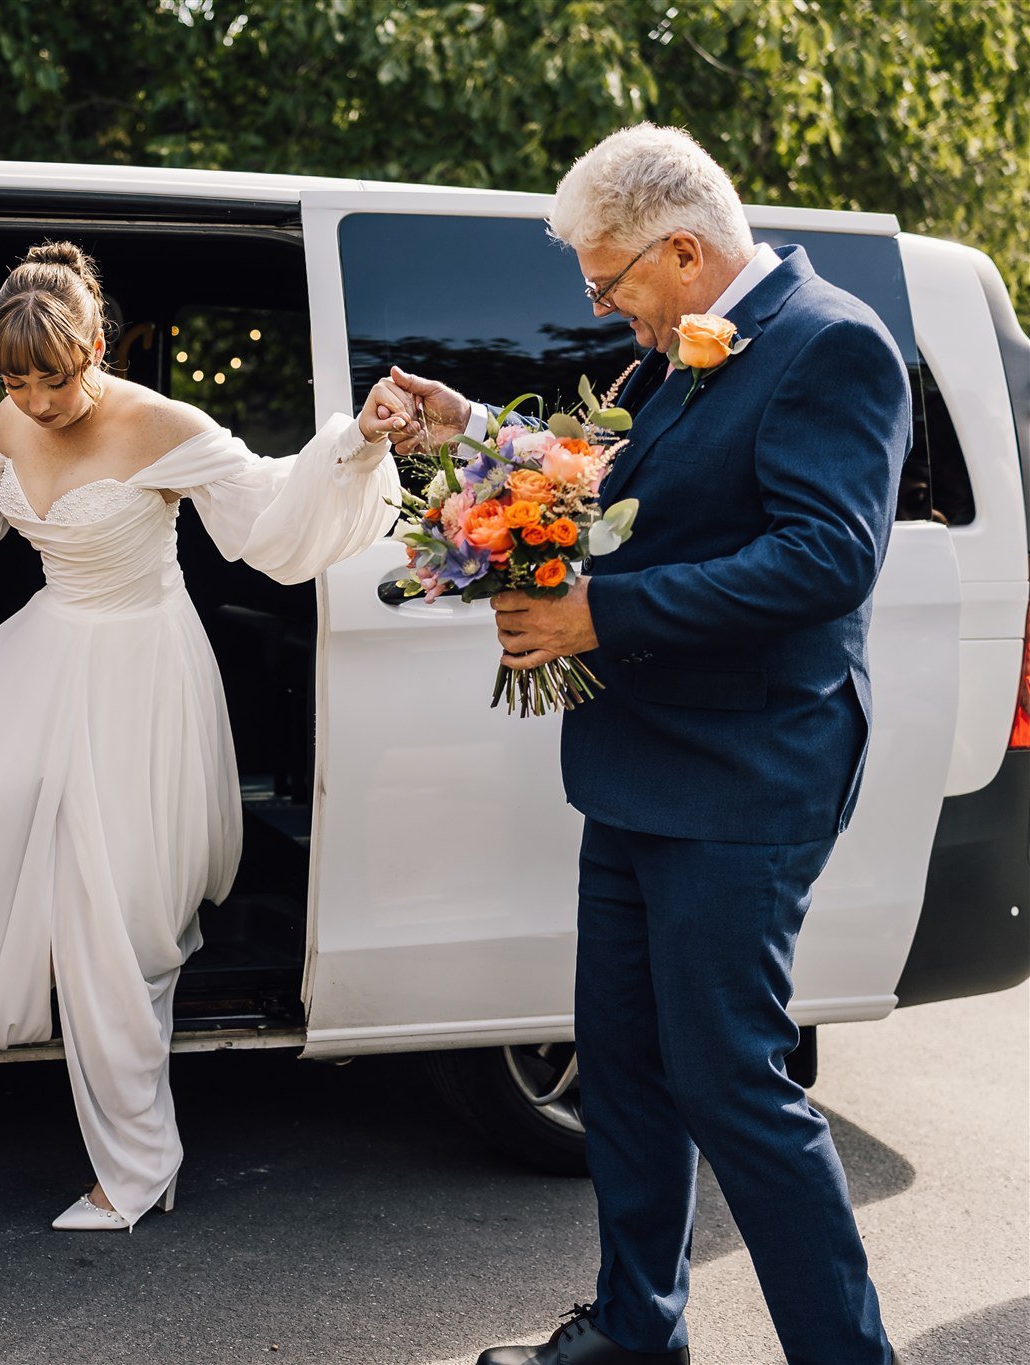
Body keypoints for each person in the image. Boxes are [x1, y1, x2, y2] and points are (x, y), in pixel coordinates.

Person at [375, 124, 906, 1365]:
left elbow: (826, 558)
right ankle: (635, 1333)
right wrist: (465, 429)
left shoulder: (831, 344)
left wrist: (592, 612)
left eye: (608, 285)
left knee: (731, 1082)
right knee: (618, 1066)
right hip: (632, 766)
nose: (604, 311)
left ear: (682, 250)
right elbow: (602, 483)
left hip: (746, 774)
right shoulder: (668, 358)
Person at [0, 241, 410, 1231]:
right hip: (45, 655)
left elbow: (273, 520)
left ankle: (139, 1165)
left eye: (52, 378)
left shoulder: (162, 424)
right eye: (13, 381)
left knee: (109, 926)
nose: (36, 401)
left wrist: (354, 441)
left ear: (96, 346)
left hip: (139, 674)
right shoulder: (12, 416)